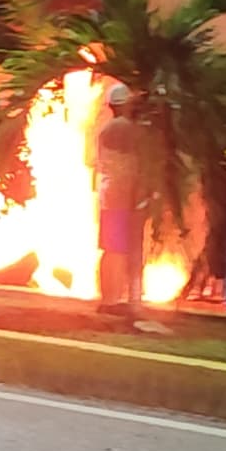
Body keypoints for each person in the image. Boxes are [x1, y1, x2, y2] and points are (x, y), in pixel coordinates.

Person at [92, 82, 141, 322]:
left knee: (111, 249)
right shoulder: (124, 128)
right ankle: (112, 300)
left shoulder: (108, 128)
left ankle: (108, 298)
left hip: (110, 194)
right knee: (117, 250)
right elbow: (136, 160)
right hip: (121, 196)